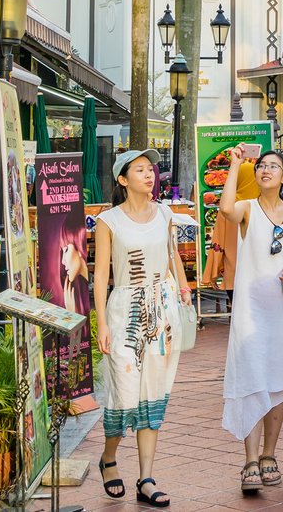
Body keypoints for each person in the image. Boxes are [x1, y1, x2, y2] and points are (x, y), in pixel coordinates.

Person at [93, 149, 192, 508]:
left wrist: (183, 290)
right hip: (125, 314)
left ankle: (146, 477)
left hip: (162, 312)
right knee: (124, 394)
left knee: (153, 393)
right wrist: (101, 322)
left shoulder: (165, 213)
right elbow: (101, 274)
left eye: (150, 170)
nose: (149, 175)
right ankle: (108, 457)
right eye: (140, 170)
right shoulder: (109, 221)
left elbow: (172, 255)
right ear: (123, 180)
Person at [220, 151, 283, 493]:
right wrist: (234, 164)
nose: (265, 170)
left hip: (282, 311)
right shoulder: (247, 208)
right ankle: (249, 460)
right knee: (251, 379)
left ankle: (269, 454)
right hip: (250, 311)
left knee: (278, 381)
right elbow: (226, 209)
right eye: (261, 166)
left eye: (272, 166)